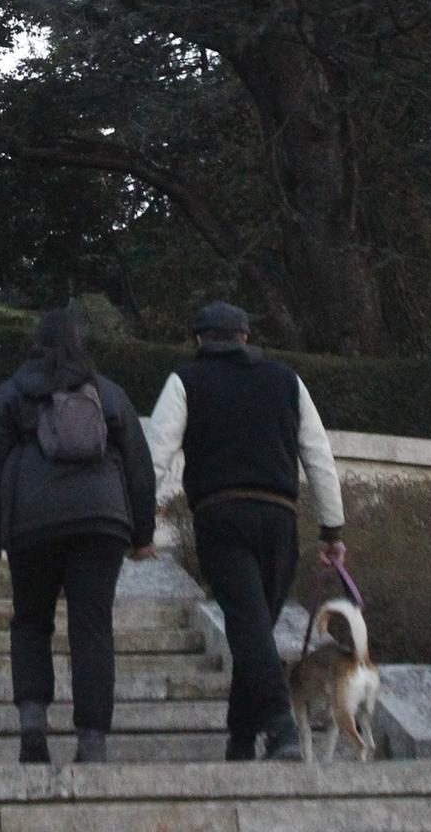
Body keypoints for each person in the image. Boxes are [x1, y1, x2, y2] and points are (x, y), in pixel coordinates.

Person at [147, 300, 347, 762]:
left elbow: (154, 456)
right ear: (246, 337)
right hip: (279, 520)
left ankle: (279, 729)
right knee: (254, 626)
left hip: (220, 516)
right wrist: (331, 529)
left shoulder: (186, 381)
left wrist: (139, 524)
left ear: (198, 340)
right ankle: (241, 738)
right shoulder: (286, 380)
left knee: (249, 627)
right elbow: (319, 455)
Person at [0, 307, 157, 765]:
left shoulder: (11, 395)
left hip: (32, 526)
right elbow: (139, 467)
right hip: (101, 522)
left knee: (31, 621)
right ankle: (92, 741)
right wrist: (142, 534)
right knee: (92, 628)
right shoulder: (109, 394)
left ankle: (33, 724)